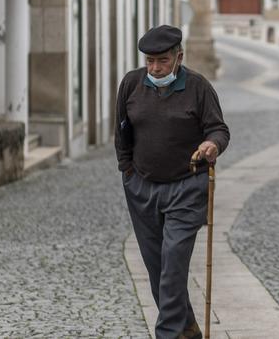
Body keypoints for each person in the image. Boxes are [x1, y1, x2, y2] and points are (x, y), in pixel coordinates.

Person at [116, 25, 230, 339]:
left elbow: (219, 130)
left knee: (174, 264)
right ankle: (186, 328)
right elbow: (121, 131)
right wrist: (127, 171)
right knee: (158, 271)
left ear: (178, 57)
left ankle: (167, 333)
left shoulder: (198, 87)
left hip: (187, 187)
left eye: (162, 61)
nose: (155, 68)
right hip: (142, 188)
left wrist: (212, 146)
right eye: (150, 61)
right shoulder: (131, 84)